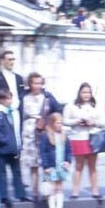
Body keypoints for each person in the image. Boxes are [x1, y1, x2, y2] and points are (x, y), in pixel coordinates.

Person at [21, 72, 62, 200]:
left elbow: (58, 111)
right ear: (30, 84)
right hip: (29, 132)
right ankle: (35, 192)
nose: (38, 86)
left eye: (40, 83)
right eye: (35, 83)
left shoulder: (48, 97)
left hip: (45, 131)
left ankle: (49, 190)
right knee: (33, 164)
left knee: (48, 163)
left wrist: (49, 122)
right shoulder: (24, 97)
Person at [63, 83, 105, 199]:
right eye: (84, 92)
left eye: (88, 92)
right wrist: (76, 121)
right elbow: (65, 120)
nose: (86, 95)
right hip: (78, 137)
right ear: (79, 93)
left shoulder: (96, 105)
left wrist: (93, 122)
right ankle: (75, 191)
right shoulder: (71, 105)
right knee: (78, 166)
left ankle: (95, 190)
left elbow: (104, 122)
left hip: (92, 138)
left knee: (92, 166)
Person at [0, 89, 26, 207]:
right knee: (1, 172)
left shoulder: (13, 111)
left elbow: (17, 129)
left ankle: (21, 193)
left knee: (17, 171)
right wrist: (4, 140)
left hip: (14, 146)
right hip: (2, 148)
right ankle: (3, 195)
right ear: (0, 100)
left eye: (10, 98)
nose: (9, 101)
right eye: (7, 99)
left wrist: (18, 143)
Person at [38, 113, 70, 208]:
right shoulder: (46, 136)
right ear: (52, 123)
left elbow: (68, 150)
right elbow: (43, 152)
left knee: (59, 187)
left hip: (61, 166)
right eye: (57, 123)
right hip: (51, 166)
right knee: (51, 188)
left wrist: (68, 161)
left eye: (61, 123)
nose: (60, 125)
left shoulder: (64, 135)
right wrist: (46, 166)